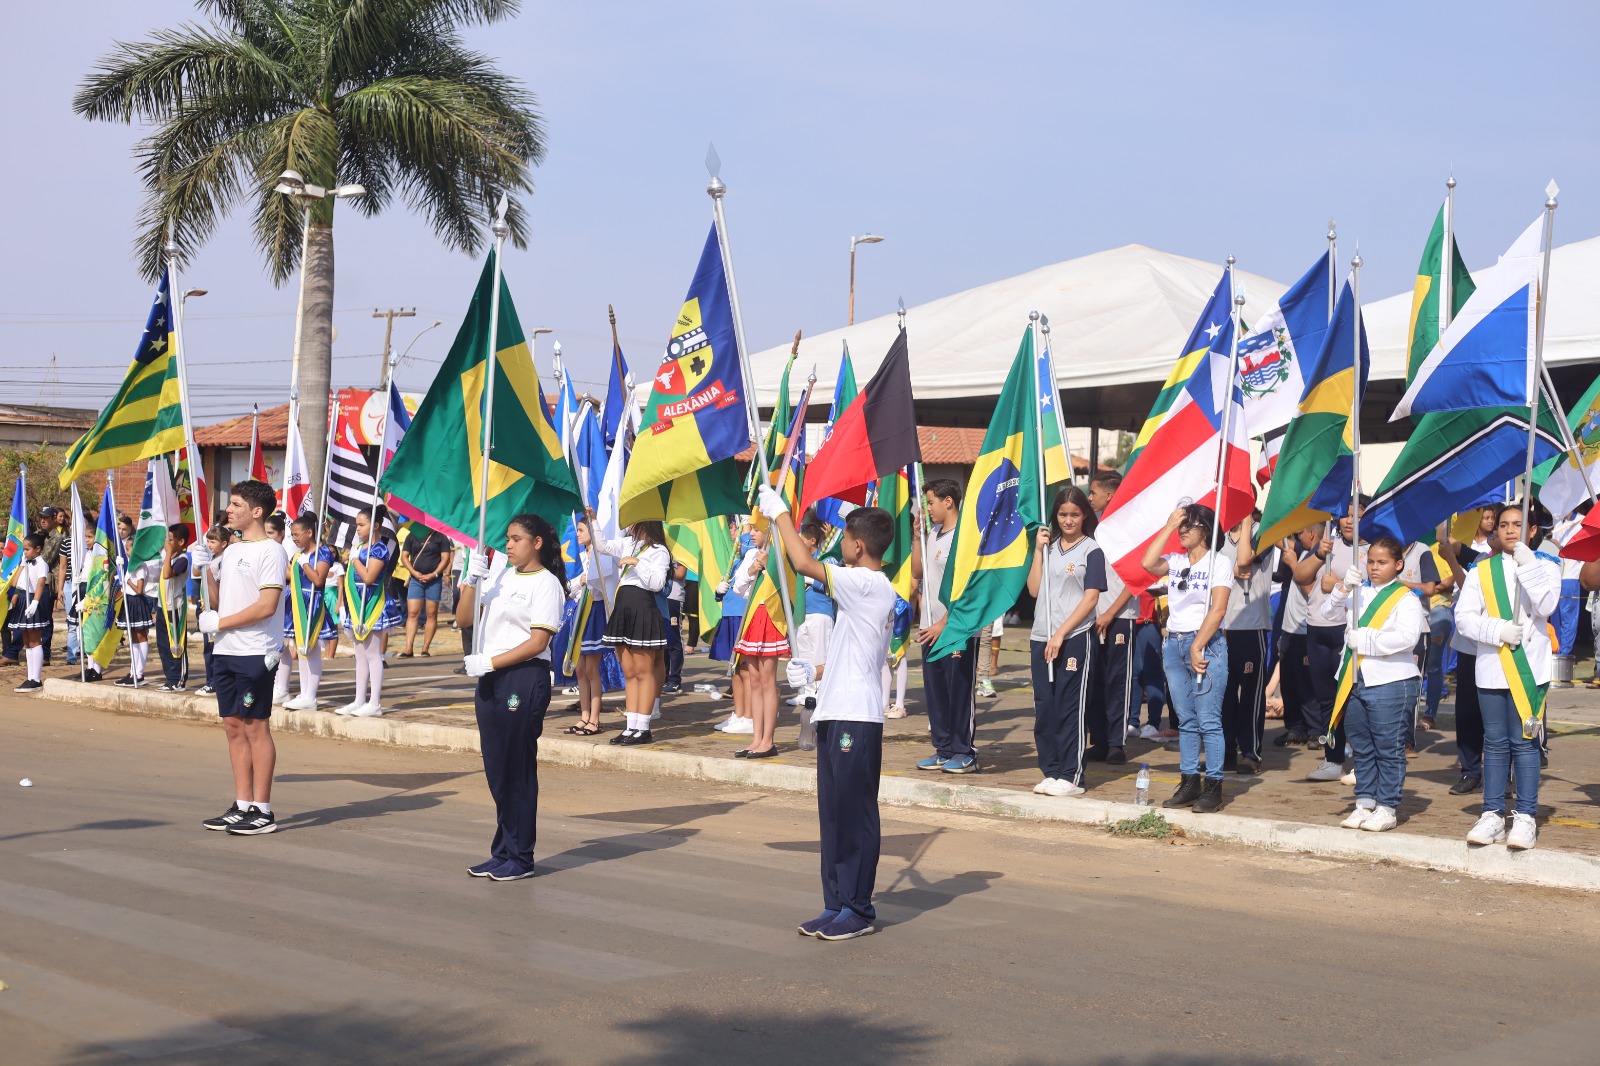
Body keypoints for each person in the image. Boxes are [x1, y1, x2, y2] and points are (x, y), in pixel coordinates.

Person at [760, 484, 896, 941]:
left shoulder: (868, 582)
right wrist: (813, 669)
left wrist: (781, 514)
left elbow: (801, 563)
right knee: (833, 812)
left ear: (858, 545)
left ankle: (858, 907)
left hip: (857, 715)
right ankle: (835, 901)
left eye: (845, 541)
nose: (841, 547)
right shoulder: (862, 594)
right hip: (837, 709)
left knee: (853, 811)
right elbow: (857, 653)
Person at [457, 513, 566, 881]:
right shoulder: (500, 574)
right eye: (507, 538)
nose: (508, 544)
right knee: (496, 766)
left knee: (516, 767)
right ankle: (503, 849)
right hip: (489, 676)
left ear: (536, 543)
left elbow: (538, 641)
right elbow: (463, 619)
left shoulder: (547, 584)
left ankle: (521, 856)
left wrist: (491, 659)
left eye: (516, 538)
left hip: (523, 677)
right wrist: (472, 580)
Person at [1458, 501, 1557, 850]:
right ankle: (1492, 814)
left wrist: (1528, 565)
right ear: (1494, 531)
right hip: (1492, 667)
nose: (1511, 530)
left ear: (1531, 530)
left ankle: (1526, 816)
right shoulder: (1480, 571)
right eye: (1503, 525)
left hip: (1529, 670)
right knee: (1495, 745)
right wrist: (1498, 629)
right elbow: (1464, 618)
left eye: (1518, 524)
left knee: (1525, 743)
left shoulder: (1548, 566)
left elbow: (1546, 606)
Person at [198, 480, 289, 836]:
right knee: (233, 727)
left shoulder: (271, 550)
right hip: (226, 650)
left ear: (257, 511)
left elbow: (266, 607)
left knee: (256, 727)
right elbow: (225, 601)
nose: (229, 510)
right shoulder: (232, 550)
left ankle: (263, 810)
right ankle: (242, 804)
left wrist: (219, 621)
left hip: (255, 652)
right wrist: (207, 571)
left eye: (236, 505)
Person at [1319, 536, 1424, 832]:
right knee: (1362, 746)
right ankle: (1364, 802)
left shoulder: (1406, 598)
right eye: (1371, 561)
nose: (1375, 567)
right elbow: (1326, 613)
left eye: (1383, 562)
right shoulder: (1358, 592)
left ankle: (1387, 806)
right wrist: (1343, 588)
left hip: (1390, 680)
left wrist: (1365, 639)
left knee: (1388, 747)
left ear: (1398, 564)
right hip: (1353, 678)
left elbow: (1407, 637)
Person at [1142, 503, 1231, 812]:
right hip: (1175, 644)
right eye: (1181, 525)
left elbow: (1218, 610)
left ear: (1205, 529)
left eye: (1188, 525)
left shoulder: (1219, 562)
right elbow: (1147, 563)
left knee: (1208, 719)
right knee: (1186, 720)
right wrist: (1168, 526)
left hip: (1205, 644)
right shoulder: (1176, 560)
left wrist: (1198, 646)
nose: (1182, 530)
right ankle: (1190, 781)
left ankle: (1214, 786)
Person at [1026, 486, 1106, 797]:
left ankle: (1071, 774)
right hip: (1040, 637)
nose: (1068, 520)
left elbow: (1091, 598)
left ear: (1084, 515)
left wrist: (1061, 633)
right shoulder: (1048, 548)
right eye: (1062, 514)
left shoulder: (1092, 551)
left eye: (1074, 514)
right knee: (1045, 706)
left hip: (1073, 638)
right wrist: (1037, 551)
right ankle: (1051, 769)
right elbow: (1034, 590)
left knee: (1070, 707)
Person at [1297, 504, 1368, 782]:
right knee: (1326, 698)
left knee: (1353, 698)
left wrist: (1337, 583)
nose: (1350, 520)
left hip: (1348, 630)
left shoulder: (1373, 549)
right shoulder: (1329, 543)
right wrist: (1318, 554)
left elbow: (1380, 585)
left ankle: (1361, 760)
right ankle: (1332, 759)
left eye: (1357, 514)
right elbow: (1300, 576)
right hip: (1318, 627)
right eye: (1346, 514)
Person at [913, 478, 979, 774]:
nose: (927, 508)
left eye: (930, 502)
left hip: (956, 628)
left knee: (958, 691)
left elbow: (968, 587)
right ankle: (943, 748)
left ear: (948, 501)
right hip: (930, 628)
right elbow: (918, 571)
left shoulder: (964, 539)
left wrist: (944, 622)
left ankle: (964, 751)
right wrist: (917, 537)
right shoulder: (934, 533)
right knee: (936, 692)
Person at [594, 517, 671, 745]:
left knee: (643, 671)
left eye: (635, 521)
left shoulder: (659, 550)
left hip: (643, 610)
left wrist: (637, 562)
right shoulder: (628, 543)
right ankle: (631, 727)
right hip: (624, 609)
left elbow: (657, 584)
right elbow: (603, 546)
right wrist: (594, 521)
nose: (629, 525)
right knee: (629, 672)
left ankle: (644, 727)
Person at [1220, 511, 1273, 775]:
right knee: (1224, 693)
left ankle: (1250, 752)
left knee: (1251, 694)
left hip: (1251, 627)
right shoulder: (1219, 538)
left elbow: (1244, 560)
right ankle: (1227, 751)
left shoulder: (1263, 532)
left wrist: (1246, 523)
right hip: (1222, 627)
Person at [1088, 470, 1136, 759]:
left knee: (1117, 680)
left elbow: (1134, 580)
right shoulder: (1097, 527)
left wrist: (1110, 613)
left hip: (1120, 616)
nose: (1090, 497)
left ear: (1109, 494)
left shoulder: (1128, 529)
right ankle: (1100, 740)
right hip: (1093, 616)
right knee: (1094, 679)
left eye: (1093, 492)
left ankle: (1116, 743)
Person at [729, 522, 788, 758]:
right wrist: (754, 568)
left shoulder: (781, 552)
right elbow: (739, 587)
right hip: (753, 615)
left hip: (772, 616)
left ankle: (768, 740)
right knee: (753, 679)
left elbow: (789, 586)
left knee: (767, 680)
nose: (751, 534)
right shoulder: (753, 553)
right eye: (750, 529)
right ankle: (756, 738)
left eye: (756, 529)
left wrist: (769, 566)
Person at [340, 506, 403, 717]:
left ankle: (374, 702)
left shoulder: (379, 549)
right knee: (360, 654)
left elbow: (368, 578)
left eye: (361, 524)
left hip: (372, 605)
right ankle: (359, 700)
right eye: (356, 524)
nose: (357, 529)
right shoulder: (359, 546)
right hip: (356, 606)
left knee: (373, 654)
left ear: (375, 525)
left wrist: (355, 559)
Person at [283, 514, 336, 710]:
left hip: (313, 603)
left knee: (311, 649)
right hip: (298, 604)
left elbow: (318, 580)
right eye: (292, 535)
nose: (294, 538)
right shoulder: (298, 555)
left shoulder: (322, 553)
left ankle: (311, 696)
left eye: (297, 534)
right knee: (302, 650)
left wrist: (305, 563)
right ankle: (304, 693)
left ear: (310, 532)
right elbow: (290, 574)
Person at [791, 522, 836, 745]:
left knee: (821, 662)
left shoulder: (827, 559)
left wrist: (810, 577)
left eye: (801, 538)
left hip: (821, 616)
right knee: (804, 662)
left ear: (811, 541)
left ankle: (823, 709)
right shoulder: (798, 563)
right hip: (802, 616)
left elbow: (829, 584)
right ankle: (808, 708)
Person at [710, 524, 753, 734]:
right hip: (729, 616)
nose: (739, 543)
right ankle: (739, 712)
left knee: (744, 669)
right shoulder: (734, 563)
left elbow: (751, 549)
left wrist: (746, 526)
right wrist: (718, 591)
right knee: (734, 669)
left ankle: (749, 715)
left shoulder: (753, 559)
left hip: (743, 616)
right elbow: (720, 594)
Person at [115, 526, 160, 688]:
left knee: (141, 636)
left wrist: (125, 580)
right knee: (132, 637)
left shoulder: (140, 567)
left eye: (128, 548)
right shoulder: (131, 566)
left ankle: (140, 673)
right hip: (129, 601)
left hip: (137, 602)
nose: (126, 551)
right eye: (126, 548)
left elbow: (139, 590)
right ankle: (133, 671)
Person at [400, 524, 453, 658]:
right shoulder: (413, 535)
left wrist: (434, 574)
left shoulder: (440, 537)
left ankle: (425, 648)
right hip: (416, 580)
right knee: (412, 613)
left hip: (434, 580)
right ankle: (408, 648)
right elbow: (404, 556)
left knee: (431, 614)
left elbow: (446, 558)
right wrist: (413, 572)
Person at [11, 533, 53, 692]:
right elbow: (15, 582)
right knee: (27, 641)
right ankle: (30, 677)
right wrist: (22, 563)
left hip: (33, 599)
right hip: (23, 598)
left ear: (38, 549)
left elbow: (41, 584)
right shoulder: (26, 563)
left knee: (35, 640)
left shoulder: (41, 563)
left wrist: (35, 602)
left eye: (27, 549)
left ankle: (36, 678)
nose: (25, 552)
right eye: (23, 549)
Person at [195, 524, 232, 696]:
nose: (209, 544)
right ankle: (210, 680)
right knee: (207, 648)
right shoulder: (211, 558)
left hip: (217, 608)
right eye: (208, 541)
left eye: (213, 541)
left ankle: (214, 682)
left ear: (224, 543)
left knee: (213, 649)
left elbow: (219, 584)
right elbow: (196, 572)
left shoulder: (224, 560)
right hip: (205, 606)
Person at [155, 524, 192, 691]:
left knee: (176, 644)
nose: (167, 543)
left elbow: (167, 574)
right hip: (163, 605)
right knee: (163, 644)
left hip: (175, 607)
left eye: (171, 539)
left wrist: (169, 553)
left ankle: (178, 679)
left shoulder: (182, 559)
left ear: (181, 541)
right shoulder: (168, 557)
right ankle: (170, 678)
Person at [663, 559, 687, 693]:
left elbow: (680, 573)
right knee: (662, 640)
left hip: (674, 598)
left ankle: (675, 680)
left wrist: (662, 567)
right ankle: (663, 677)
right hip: (659, 595)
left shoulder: (680, 549)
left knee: (673, 639)